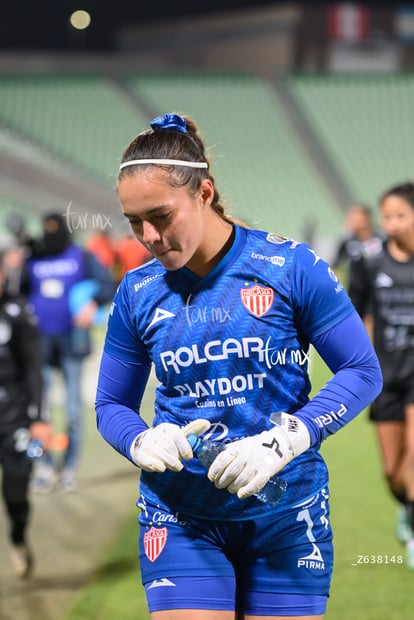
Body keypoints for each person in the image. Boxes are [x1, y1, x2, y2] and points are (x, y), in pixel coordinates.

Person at [95, 113, 382, 619]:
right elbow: (111, 404)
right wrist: (140, 440)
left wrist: (288, 438)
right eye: (133, 222)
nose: (149, 236)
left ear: (204, 192)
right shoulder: (136, 292)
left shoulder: (293, 267)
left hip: (288, 514)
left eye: (160, 216)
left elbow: (361, 370)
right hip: (179, 516)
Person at [24, 212, 116, 493]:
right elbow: (19, 290)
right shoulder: (35, 258)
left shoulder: (81, 256)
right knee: (41, 409)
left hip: (71, 340)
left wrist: (92, 305)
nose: (51, 236)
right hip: (38, 342)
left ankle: (69, 467)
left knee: (74, 409)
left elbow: (108, 284)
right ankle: (45, 465)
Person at [348, 181, 414, 569]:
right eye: (386, 216)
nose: (391, 223)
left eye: (400, 216)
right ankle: (405, 506)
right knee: (393, 471)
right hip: (386, 377)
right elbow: (355, 314)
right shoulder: (370, 262)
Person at [0, 248, 51, 578]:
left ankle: (18, 537)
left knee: (17, 495)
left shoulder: (18, 313)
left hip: (15, 419)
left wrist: (40, 420)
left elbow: (35, 368)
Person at [332, 203, 383, 284]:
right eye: (352, 220)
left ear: (367, 219)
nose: (353, 223)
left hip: (380, 286)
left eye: (358, 220)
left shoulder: (381, 239)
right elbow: (336, 266)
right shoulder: (347, 242)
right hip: (356, 289)